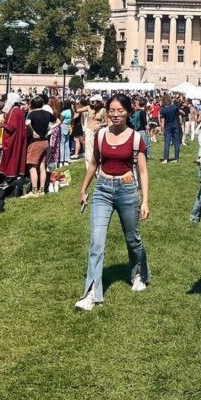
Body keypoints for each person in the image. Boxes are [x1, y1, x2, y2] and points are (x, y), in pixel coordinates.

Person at [76, 95, 150, 310]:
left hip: (127, 191)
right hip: (103, 190)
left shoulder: (136, 138)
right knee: (96, 241)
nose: (115, 115)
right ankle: (91, 292)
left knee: (132, 238)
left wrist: (145, 201)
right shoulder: (100, 136)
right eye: (112, 110)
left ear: (128, 112)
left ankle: (138, 273)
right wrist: (83, 190)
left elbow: (143, 171)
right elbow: (93, 164)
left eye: (120, 110)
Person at [0, 92, 28, 182]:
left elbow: (11, 126)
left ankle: (10, 175)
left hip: (13, 138)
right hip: (18, 137)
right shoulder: (18, 110)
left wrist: (2, 125)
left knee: (12, 156)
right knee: (16, 155)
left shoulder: (14, 111)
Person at [25, 96, 51, 194]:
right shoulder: (47, 113)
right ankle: (42, 189)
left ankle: (34, 190)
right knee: (42, 166)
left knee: (32, 167)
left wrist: (33, 131)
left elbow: (27, 123)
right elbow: (58, 120)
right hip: (45, 141)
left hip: (35, 142)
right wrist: (50, 130)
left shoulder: (32, 114)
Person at [160, 95, 182, 163]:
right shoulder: (174, 107)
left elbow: (163, 121)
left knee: (167, 143)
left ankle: (166, 159)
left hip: (168, 127)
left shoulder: (163, 110)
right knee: (176, 143)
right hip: (175, 126)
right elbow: (180, 112)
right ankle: (176, 158)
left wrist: (162, 129)